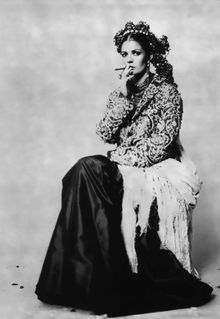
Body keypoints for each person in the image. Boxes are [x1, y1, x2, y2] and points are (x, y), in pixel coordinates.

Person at [35, 21, 213, 317]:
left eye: (136, 53)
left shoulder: (168, 93)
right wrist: (122, 95)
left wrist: (120, 156)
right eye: (125, 54)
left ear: (149, 56)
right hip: (123, 164)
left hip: (157, 166)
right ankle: (84, 278)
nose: (129, 59)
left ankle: (104, 278)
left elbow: (162, 143)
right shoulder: (122, 90)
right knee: (81, 173)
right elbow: (104, 131)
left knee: (87, 170)